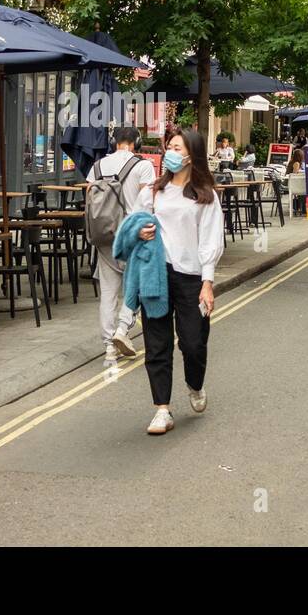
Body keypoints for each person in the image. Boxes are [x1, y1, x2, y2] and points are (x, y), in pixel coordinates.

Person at [134, 129, 223, 436]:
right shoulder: (154, 191)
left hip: (192, 277)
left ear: (191, 155)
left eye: (176, 147)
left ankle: (195, 385)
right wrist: (140, 232)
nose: (170, 152)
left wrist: (207, 282)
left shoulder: (206, 196)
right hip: (156, 275)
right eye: (168, 146)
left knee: (193, 342)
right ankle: (162, 409)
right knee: (156, 343)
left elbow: (211, 241)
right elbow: (135, 221)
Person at [88, 127, 156, 361]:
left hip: (104, 236)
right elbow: (147, 202)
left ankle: (109, 345)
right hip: (133, 235)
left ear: (113, 141)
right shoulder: (143, 166)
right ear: (136, 142)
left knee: (108, 292)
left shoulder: (96, 167)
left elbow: (90, 203)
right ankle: (122, 329)